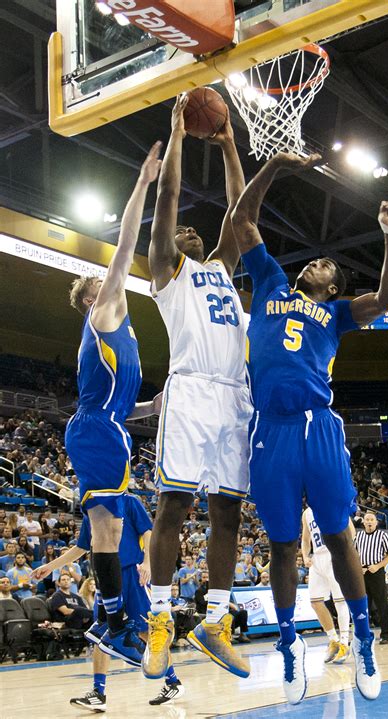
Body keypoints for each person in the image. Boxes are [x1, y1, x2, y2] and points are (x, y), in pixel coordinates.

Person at [231, 149, 388, 704]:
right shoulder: (273, 283)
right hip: (270, 429)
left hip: (318, 426)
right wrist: (276, 166)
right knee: (283, 548)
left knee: (339, 536)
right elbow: (241, 221)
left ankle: (362, 645)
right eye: (315, 261)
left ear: (334, 285)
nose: (316, 264)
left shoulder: (336, 314)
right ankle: (288, 651)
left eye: (327, 265)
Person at [142, 95, 252, 682]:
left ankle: (215, 621)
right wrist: (180, 132)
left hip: (233, 396)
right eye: (180, 230)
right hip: (189, 393)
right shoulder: (167, 270)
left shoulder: (220, 269)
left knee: (228, 514)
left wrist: (231, 142)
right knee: (174, 506)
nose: (187, 228)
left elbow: (238, 213)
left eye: (194, 229)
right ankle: (159, 621)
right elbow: (167, 200)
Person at [64, 142, 163, 666]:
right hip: (96, 429)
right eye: (101, 282)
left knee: (110, 528)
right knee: (111, 528)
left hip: (109, 428)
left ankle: (110, 620)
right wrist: (144, 183)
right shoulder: (101, 312)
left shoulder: (125, 338)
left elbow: (130, 411)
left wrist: (156, 405)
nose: (113, 280)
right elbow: (125, 243)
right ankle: (113, 619)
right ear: (90, 298)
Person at [33, 492, 183, 711]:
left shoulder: (129, 501)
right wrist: (50, 567)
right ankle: (98, 692)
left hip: (132, 573)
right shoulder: (90, 507)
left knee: (145, 632)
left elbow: (148, 532)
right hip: (105, 578)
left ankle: (172, 681)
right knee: (103, 633)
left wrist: (148, 563)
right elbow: (82, 547)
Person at [301, 507, 351, 664]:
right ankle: (333, 640)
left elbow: (351, 530)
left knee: (340, 601)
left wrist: (345, 552)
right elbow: (305, 538)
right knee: (315, 602)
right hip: (317, 559)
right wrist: (305, 555)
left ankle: (344, 642)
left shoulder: (332, 501)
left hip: (333, 555)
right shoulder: (307, 513)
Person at [355, 512, 388, 644]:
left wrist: (378, 566)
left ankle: (385, 634)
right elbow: (353, 554)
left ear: (376, 522)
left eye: (372, 520)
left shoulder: (382, 535)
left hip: (376, 572)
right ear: (364, 522)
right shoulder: (359, 535)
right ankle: (364, 635)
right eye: (367, 520)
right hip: (362, 572)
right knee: (363, 605)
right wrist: (358, 566)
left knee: (381, 604)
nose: (369, 522)